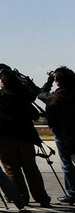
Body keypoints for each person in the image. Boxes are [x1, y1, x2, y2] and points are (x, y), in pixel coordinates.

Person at [0, 67, 50, 207]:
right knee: (31, 167)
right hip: (25, 136)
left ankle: (20, 196)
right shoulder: (22, 98)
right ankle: (41, 196)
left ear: (2, 84)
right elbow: (34, 113)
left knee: (11, 167)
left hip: (3, 136)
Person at [38, 66, 75, 205]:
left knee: (67, 165)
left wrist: (49, 81)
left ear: (57, 82)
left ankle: (72, 193)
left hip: (64, 136)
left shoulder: (54, 98)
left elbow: (41, 94)